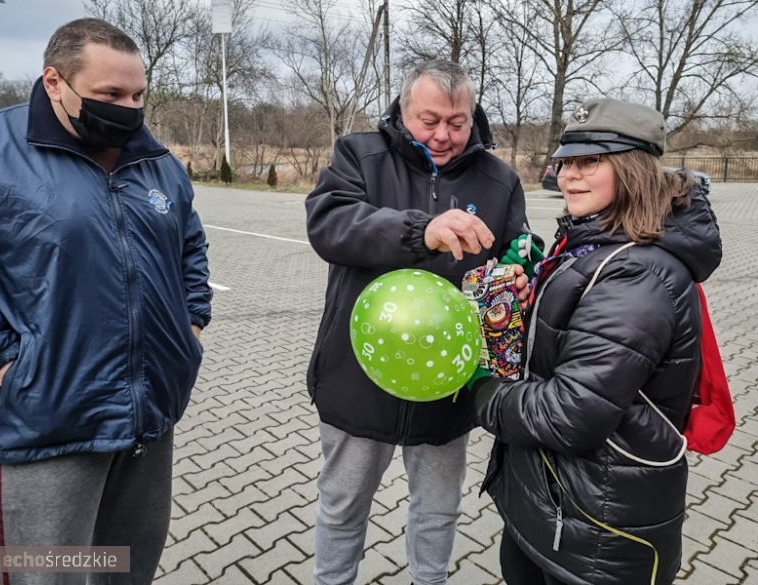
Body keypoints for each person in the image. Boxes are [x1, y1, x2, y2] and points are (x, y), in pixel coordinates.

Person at [0, 18, 212, 585]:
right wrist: (6, 362)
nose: (128, 109)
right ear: (54, 81)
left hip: (148, 413)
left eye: (137, 95)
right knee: (49, 575)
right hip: (51, 416)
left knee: (124, 569)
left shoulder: (156, 161)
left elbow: (189, 245)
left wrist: (192, 324)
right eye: (110, 95)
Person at [305, 59, 542, 585]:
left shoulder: (499, 179)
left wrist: (518, 272)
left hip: (448, 384)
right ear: (403, 109)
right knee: (343, 505)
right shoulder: (360, 155)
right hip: (357, 376)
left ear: (472, 113)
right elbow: (329, 224)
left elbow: (518, 246)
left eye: (456, 122)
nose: (443, 135)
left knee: (437, 510)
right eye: (428, 120)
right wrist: (421, 230)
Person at [469, 97, 722, 585]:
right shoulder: (598, 241)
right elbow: (575, 347)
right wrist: (522, 308)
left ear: (632, 169)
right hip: (556, 504)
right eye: (566, 162)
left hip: (598, 529)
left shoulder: (638, 272)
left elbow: (571, 414)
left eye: (591, 162)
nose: (568, 176)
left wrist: (480, 390)